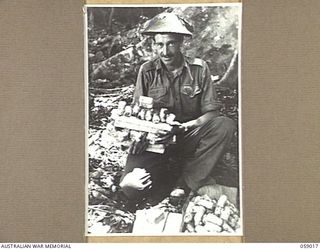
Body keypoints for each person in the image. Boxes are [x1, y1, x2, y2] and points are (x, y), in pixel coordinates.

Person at [119, 13, 236, 201]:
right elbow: (137, 116)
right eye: (159, 44)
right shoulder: (147, 71)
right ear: (153, 45)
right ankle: (165, 176)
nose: (165, 51)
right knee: (131, 188)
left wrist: (184, 127)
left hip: (188, 136)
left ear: (182, 43)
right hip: (156, 142)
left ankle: (186, 181)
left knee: (225, 125)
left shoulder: (199, 69)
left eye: (171, 43)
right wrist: (138, 137)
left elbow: (212, 113)